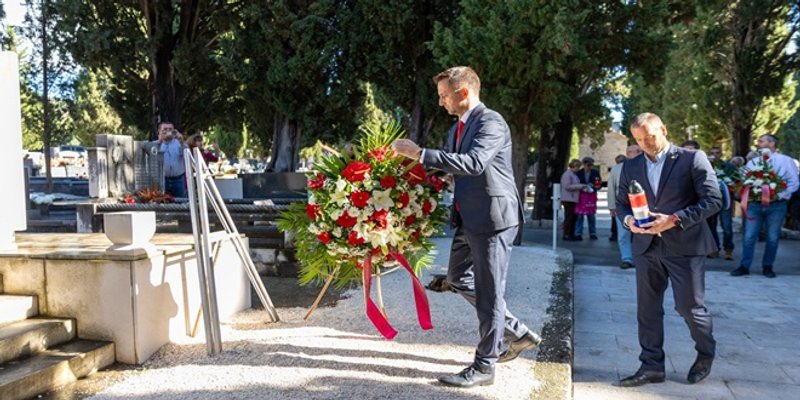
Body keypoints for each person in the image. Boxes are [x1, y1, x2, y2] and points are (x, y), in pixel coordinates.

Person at [392, 66, 539, 388]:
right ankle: (515, 331)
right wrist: (429, 181)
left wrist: (421, 154)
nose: (441, 102)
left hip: (493, 219)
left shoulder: (491, 122)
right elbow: (456, 169)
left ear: (463, 93)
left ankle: (485, 366)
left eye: (445, 95)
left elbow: (474, 163)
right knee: (458, 279)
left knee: (489, 293)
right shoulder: (456, 127)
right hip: (468, 217)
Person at [616, 112, 721, 387]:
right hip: (646, 247)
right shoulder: (631, 166)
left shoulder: (691, 158)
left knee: (689, 307)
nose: (645, 144)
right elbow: (622, 204)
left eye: (649, 136)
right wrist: (629, 222)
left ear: (663, 129)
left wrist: (673, 219)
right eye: (639, 139)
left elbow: (713, 200)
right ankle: (651, 366)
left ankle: (705, 353)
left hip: (685, 246)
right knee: (647, 310)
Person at [731, 134, 799, 278]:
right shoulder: (753, 162)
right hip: (754, 205)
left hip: (776, 205)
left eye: (761, 141)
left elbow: (794, 182)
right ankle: (744, 266)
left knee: (772, 237)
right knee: (749, 236)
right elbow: (745, 180)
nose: (758, 144)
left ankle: (768, 266)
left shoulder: (785, 161)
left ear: (772, 143)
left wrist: (779, 194)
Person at [607, 145, 642, 269]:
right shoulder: (617, 169)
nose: (633, 153)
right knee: (623, 234)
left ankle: (641, 259)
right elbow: (611, 188)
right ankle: (626, 258)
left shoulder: (649, 165)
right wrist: (612, 206)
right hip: (623, 205)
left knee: (643, 233)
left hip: (643, 206)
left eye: (636, 151)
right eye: (630, 151)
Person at [708, 146, 735, 260]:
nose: (715, 155)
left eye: (717, 153)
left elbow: (735, 182)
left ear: (721, 154)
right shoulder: (705, 167)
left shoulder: (729, 167)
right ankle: (714, 249)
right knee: (711, 226)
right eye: (712, 153)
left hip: (726, 201)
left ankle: (728, 250)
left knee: (727, 226)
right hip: (711, 201)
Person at [155, 121, 187, 198]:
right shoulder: (155, 144)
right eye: (165, 129)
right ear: (159, 131)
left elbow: (187, 155)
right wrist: (160, 141)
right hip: (162, 180)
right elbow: (151, 156)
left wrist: (182, 141)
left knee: (180, 205)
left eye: (170, 129)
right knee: (161, 204)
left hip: (178, 180)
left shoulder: (179, 143)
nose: (168, 131)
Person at [574, 156, 601, 240]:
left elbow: (598, 183)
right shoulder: (578, 173)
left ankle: (592, 233)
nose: (589, 167)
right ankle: (578, 233)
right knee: (579, 215)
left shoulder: (595, 172)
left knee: (591, 215)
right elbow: (575, 183)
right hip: (581, 196)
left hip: (591, 196)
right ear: (584, 164)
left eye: (591, 165)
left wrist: (594, 186)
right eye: (588, 165)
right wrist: (582, 187)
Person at [560, 159, 585, 241]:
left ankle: (571, 233)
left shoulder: (574, 175)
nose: (578, 169)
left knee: (574, 217)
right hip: (568, 199)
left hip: (573, 199)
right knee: (569, 217)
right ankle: (566, 234)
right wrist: (580, 186)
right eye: (577, 167)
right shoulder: (567, 175)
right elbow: (567, 186)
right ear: (573, 166)